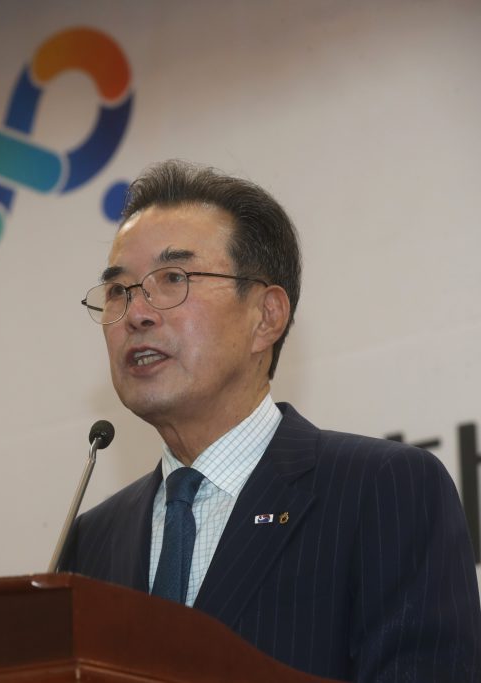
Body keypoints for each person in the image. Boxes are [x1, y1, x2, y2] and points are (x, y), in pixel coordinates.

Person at [58, 160, 480, 682]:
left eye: (173, 279)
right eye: (118, 291)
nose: (137, 314)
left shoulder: (384, 490)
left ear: (267, 316)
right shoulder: (92, 539)